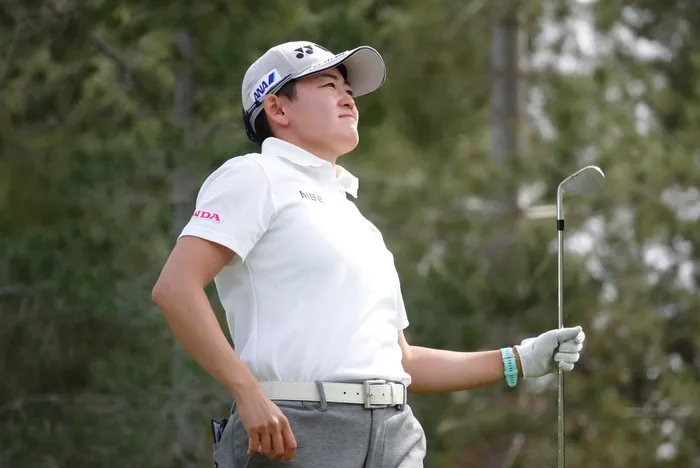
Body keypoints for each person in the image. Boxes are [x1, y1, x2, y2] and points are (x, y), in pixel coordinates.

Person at [151, 41, 586, 468]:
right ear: (278, 109)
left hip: (396, 433)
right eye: (328, 86)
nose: (348, 99)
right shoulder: (255, 176)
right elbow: (176, 288)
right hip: (296, 432)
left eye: (348, 89)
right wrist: (247, 392)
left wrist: (519, 359)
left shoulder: (358, 222)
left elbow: (403, 360)